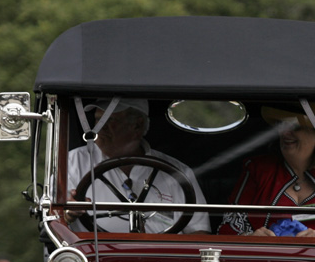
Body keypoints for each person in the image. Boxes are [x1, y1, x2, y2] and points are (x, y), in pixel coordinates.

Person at [219, 102, 315, 238]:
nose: (285, 133)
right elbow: (228, 224)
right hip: (265, 257)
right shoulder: (257, 168)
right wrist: (251, 237)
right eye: (282, 125)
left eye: (296, 127)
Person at [66, 99, 210, 234]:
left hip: (165, 258)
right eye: (98, 120)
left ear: (137, 125)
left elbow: (199, 233)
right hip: (96, 257)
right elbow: (53, 221)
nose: (100, 128)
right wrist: (68, 213)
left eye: (109, 120)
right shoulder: (71, 163)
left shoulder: (179, 171)